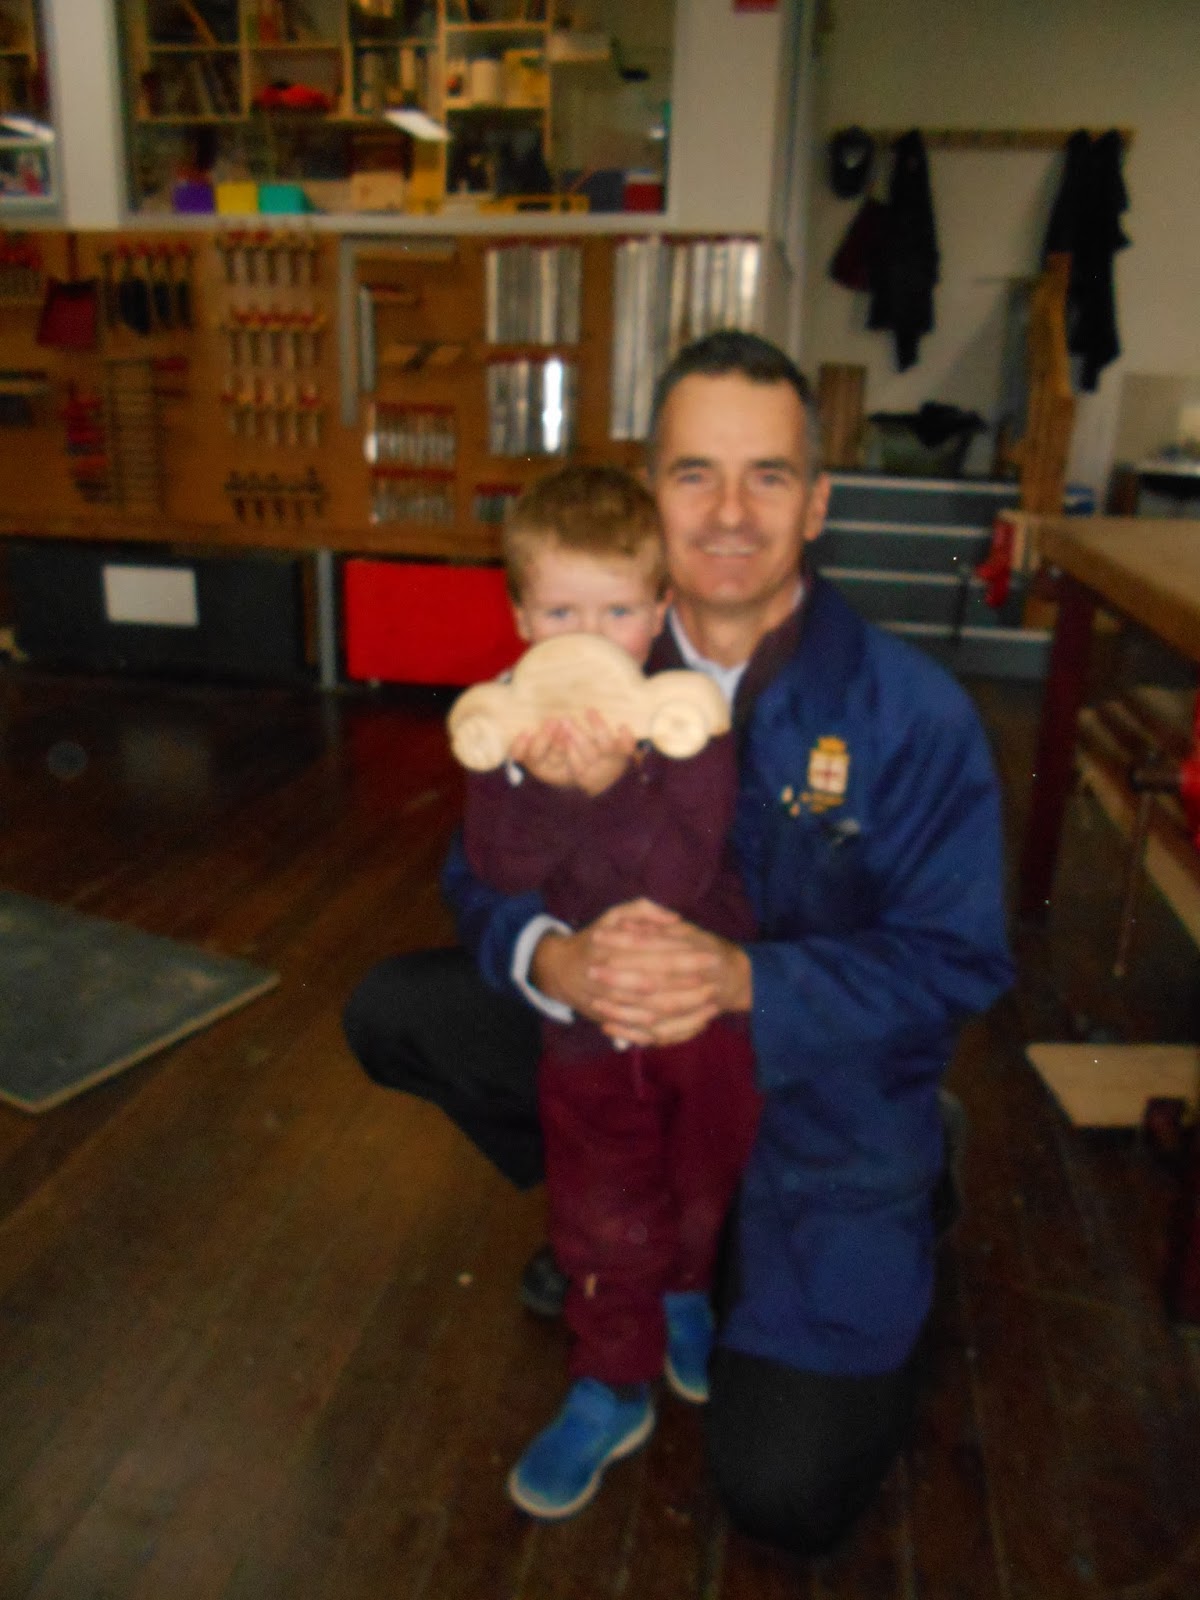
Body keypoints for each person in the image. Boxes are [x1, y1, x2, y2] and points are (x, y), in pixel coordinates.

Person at [344, 329, 1014, 1556]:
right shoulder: (579, 660)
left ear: (817, 504)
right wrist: (553, 959)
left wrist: (745, 977)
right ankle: (624, 1230)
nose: (730, 512)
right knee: (395, 1010)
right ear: (650, 494)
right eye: (695, 473)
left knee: (784, 1491)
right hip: (617, 1053)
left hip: (823, 1102)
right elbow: (472, 874)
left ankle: (913, 1170)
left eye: (769, 476)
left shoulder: (915, 715)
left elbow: (958, 957)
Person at [459, 463, 762, 1520]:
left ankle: (687, 1288)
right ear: (519, 615)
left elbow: (678, 873)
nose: (588, 640)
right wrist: (547, 788)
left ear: (660, 610)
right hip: (586, 1026)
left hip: (701, 1020)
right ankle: (610, 1378)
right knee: (598, 1206)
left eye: (617, 613)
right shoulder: (510, 732)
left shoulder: (688, 722)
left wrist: (608, 785)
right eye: (560, 614)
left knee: (703, 1173)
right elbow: (497, 865)